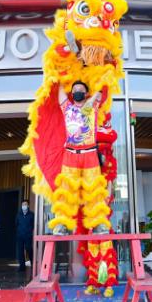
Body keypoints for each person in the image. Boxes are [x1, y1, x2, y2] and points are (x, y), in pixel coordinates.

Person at [51, 81, 109, 235]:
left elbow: (101, 89)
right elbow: (59, 89)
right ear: (71, 94)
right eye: (74, 89)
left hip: (90, 154)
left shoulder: (93, 106)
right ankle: (62, 224)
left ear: (86, 93)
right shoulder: (67, 108)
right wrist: (58, 73)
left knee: (94, 190)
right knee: (66, 190)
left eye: (80, 89)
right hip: (70, 154)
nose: (77, 91)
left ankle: (98, 224)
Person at [15, 199, 34, 272]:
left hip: (28, 235)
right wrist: (19, 231)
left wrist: (30, 231)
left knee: (29, 249)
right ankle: (22, 266)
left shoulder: (31, 214)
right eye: (23, 205)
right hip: (20, 235)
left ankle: (32, 262)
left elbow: (33, 224)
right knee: (20, 251)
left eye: (25, 204)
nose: (24, 206)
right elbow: (16, 223)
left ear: (28, 205)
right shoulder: (18, 214)